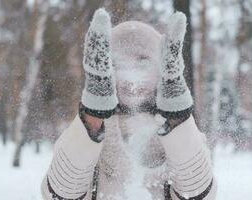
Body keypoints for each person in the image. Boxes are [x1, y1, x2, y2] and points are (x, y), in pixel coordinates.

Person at [41, 8, 217, 200]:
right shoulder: (85, 131)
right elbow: (58, 195)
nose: (130, 77)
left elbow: (200, 195)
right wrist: (93, 115)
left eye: (142, 61)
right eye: (117, 64)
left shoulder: (183, 131)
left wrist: (177, 117)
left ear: (161, 68)